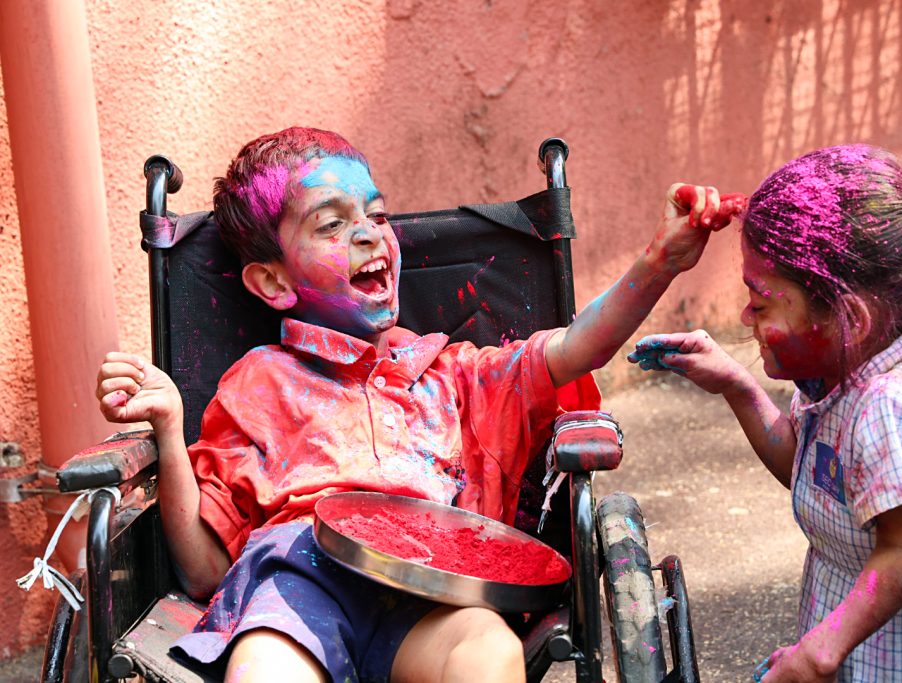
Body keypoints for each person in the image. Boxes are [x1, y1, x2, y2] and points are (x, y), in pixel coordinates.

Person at [95, 127, 725, 683]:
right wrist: (171, 429)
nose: (369, 233)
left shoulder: (455, 373)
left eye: (377, 214)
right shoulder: (257, 384)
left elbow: (575, 347)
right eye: (332, 223)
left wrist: (660, 261)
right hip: (297, 589)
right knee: (264, 669)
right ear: (273, 282)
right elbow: (204, 574)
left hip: (435, 593)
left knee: (486, 651)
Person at [629, 144, 902, 682]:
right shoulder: (841, 373)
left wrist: (818, 653)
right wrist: (737, 386)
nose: (744, 315)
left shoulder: (888, 405)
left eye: (760, 303)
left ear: (846, 317)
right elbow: (822, 478)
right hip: (864, 640)